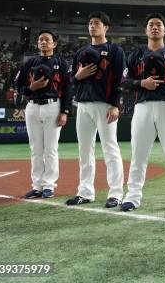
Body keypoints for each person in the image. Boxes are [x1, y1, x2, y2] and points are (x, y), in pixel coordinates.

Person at [121, 13, 165, 212]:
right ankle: (132, 197)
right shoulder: (135, 55)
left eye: (158, 25)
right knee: (138, 155)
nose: (154, 27)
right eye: (151, 25)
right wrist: (142, 83)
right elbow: (124, 82)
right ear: (145, 30)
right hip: (142, 107)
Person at [66, 12, 125, 209]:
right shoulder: (80, 52)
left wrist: (115, 104)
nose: (92, 26)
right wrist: (78, 75)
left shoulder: (115, 50)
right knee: (84, 150)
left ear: (106, 27)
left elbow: (120, 79)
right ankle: (85, 192)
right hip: (82, 104)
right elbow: (71, 81)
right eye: (90, 23)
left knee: (110, 148)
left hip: (105, 105)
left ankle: (116, 193)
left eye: (97, 23)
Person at [16, 30, 72, 199]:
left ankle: (49, 185)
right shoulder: (29, 62)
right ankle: (37, 185)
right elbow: (18, 86)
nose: (43, 42)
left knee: (51, 149)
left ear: (54, 44)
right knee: (36, 149)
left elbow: (68, 88)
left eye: (47, 39)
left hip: (52, 106)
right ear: (37, 43)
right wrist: (30, 89)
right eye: (40, 39)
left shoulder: (61, 63)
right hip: (32, 106)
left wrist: (65, 111)